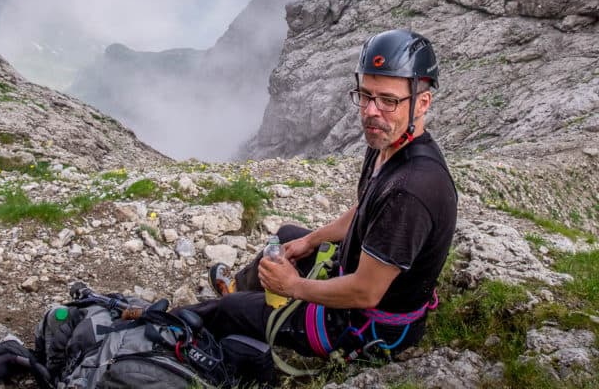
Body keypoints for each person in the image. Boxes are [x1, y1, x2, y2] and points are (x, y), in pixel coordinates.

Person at [183, 29, 457, 363]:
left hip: (365, 327)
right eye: (366, 95)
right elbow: (363, 210)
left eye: (388, 100)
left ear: (422, 103)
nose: (372, 111)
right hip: (352, 280)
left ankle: (184, 323)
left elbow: (366, 292)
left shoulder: (412, 189)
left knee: (229, 312)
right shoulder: (387, 141)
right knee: (286, 237)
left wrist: (293, 287)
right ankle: (242, 292)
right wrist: (311, 240)